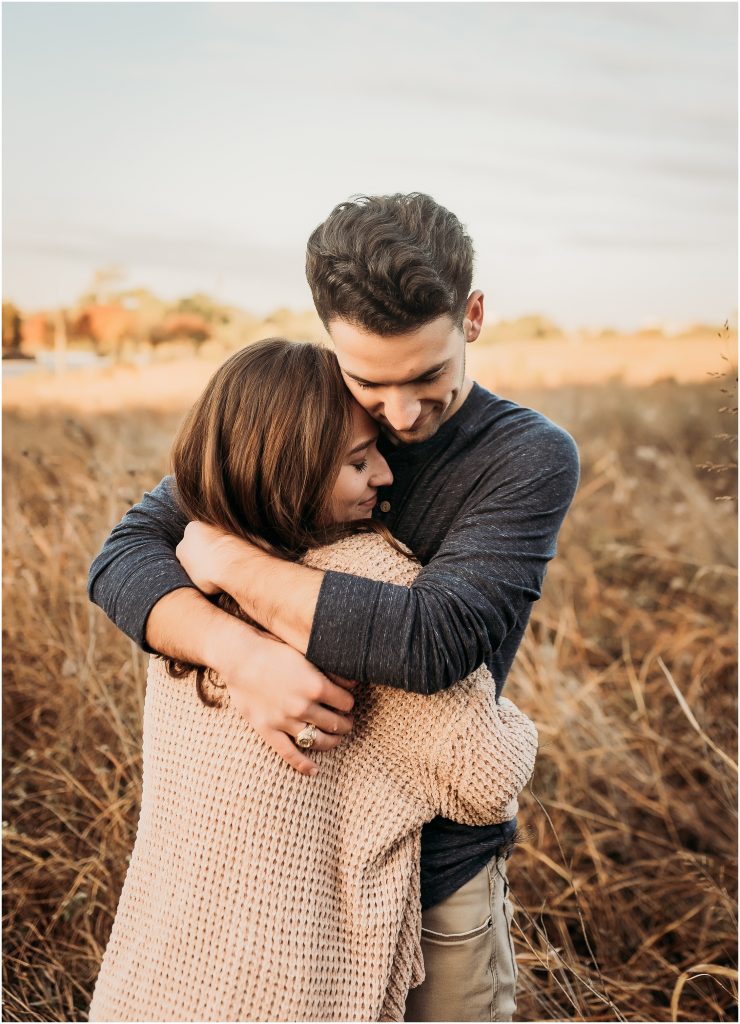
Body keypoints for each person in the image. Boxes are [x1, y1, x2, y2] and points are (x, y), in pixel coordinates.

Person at [89, 193, 580, 1021]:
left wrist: (226, 558)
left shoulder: (525, 455)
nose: (399, 417)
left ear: (474, 315)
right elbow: (121, 561)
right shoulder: (304, 417)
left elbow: (432, 640)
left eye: (428, 377)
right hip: (275, 884)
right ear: (331, 340)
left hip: (434, 879)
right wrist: (240, 656)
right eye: (370, 383)